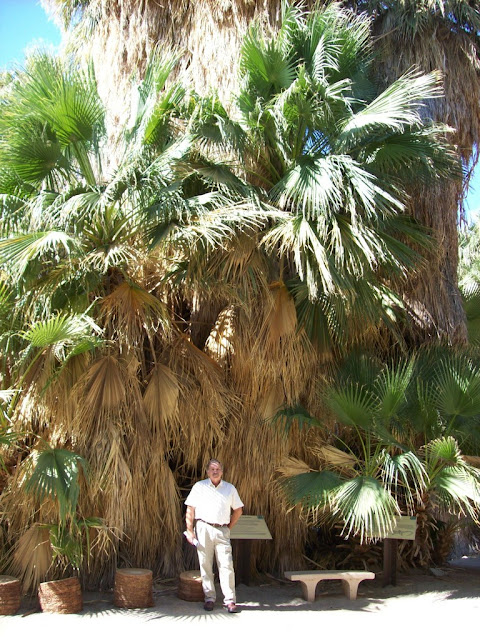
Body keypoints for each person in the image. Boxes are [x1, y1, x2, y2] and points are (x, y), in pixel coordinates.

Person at [184, 459, 244, 613]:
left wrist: (228, 527)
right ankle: (209, 598)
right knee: (205, 564)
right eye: (212, 469)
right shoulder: (199, 487)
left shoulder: (229, 488)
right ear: (207, 472)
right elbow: (190, 508)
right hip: (203, 528)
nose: (215, 472)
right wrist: (190, 531)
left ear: (222, 472)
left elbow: (238, 510)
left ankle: (230, 600)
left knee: (226, 565)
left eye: (217, 469)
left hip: (222, 529)